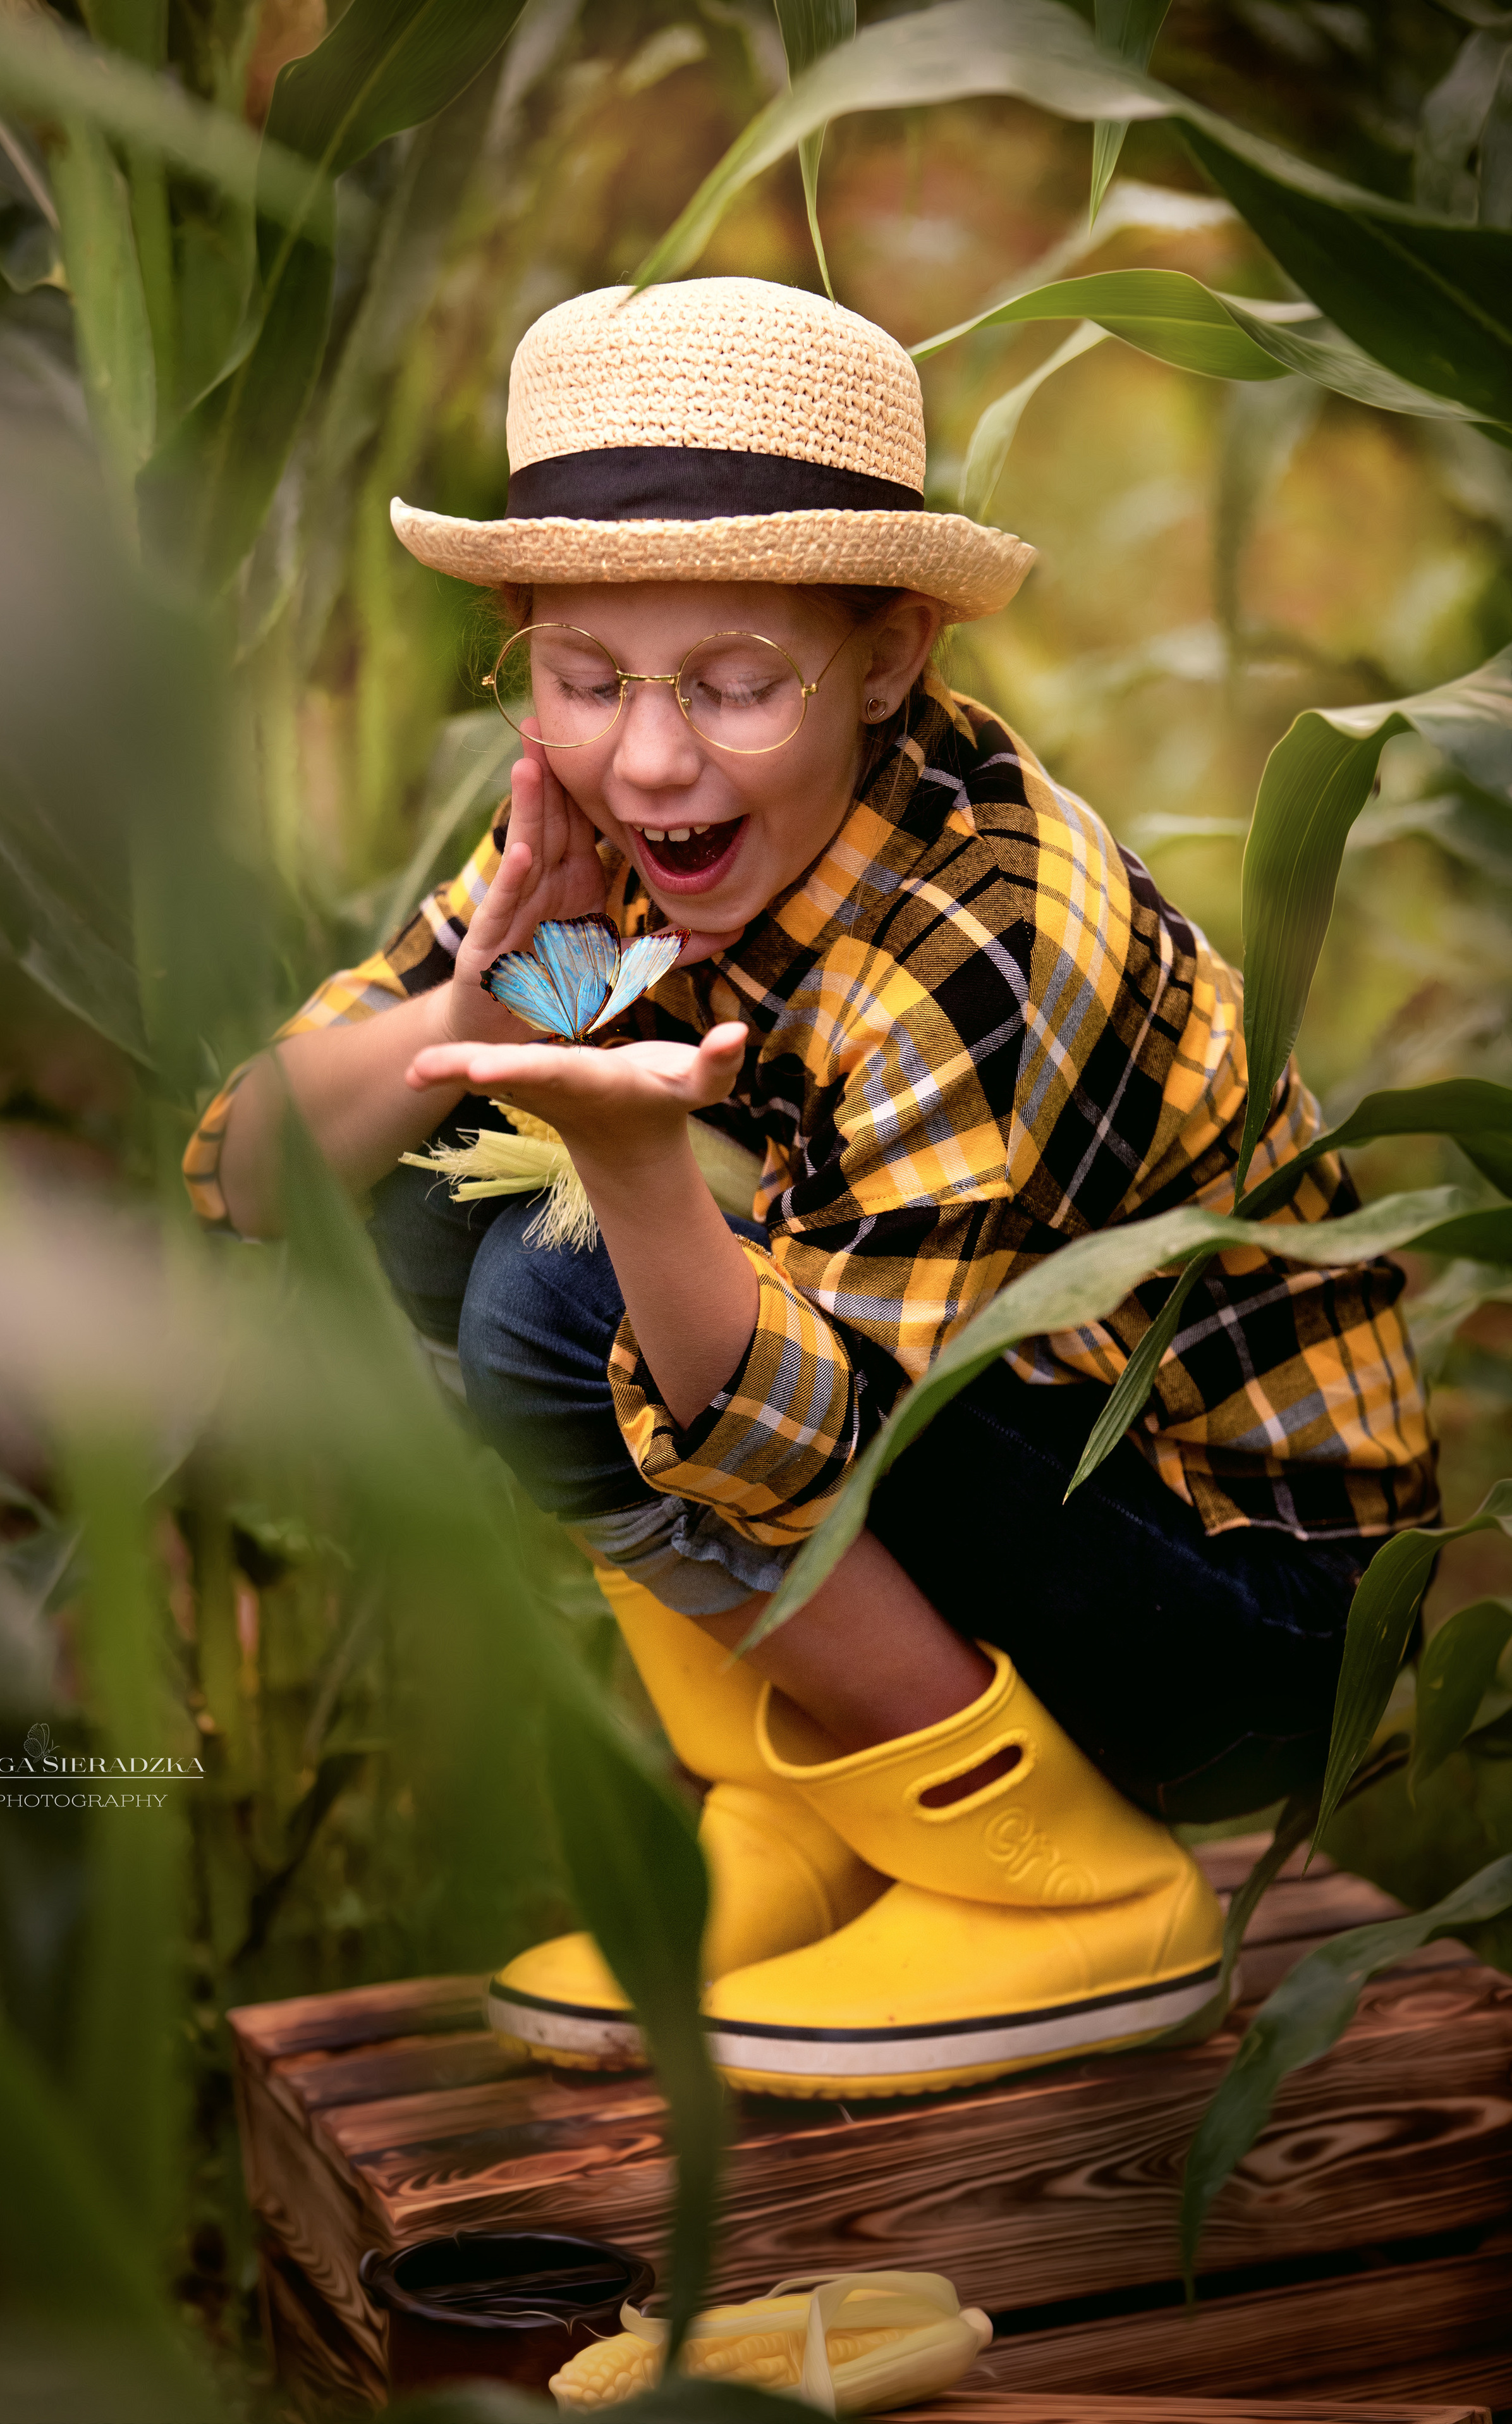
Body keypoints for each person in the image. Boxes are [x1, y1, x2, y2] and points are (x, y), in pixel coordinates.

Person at [185, 278, 1437, 2100]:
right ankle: (803, 1802)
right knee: (426, 1180)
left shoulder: (973, 931)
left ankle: (1052, 1877)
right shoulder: (602, 819)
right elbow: (247, 1168)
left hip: (1239, 1613)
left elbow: (823, 1436)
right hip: (985, 1460)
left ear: (888, 652)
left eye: (735, 683)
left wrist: (630, 1170)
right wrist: (474, 992)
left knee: (564, 1286)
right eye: (585, 677)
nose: (650, 756)